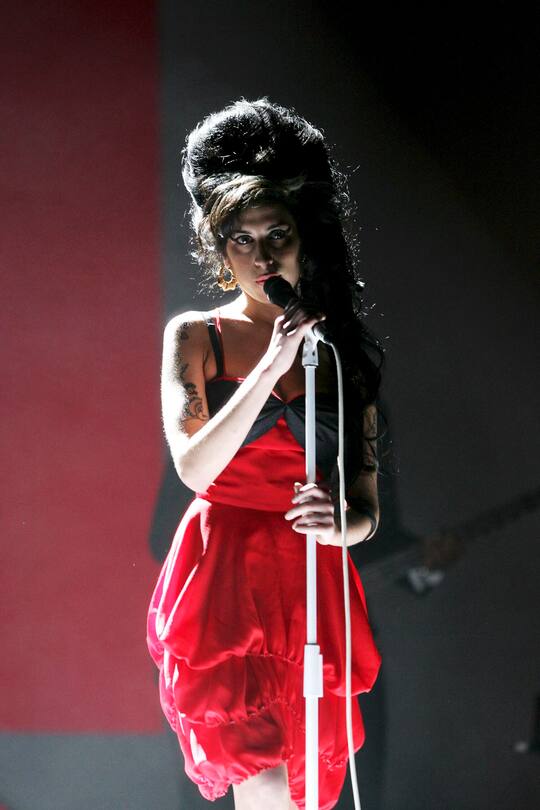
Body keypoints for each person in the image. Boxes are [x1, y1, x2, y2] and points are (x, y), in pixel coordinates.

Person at [146, 98, 385, 810]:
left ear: (301, 241)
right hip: (224, 575)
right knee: (268, 790)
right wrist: (269, 361)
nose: (262, 255)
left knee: (309, 796)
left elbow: (366, 508)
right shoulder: (196, 336)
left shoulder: (341, 352)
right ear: (221, 253)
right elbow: (194, 468)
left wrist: (337, 521)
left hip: (309, 579)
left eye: (276, 234)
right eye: (241, 240)